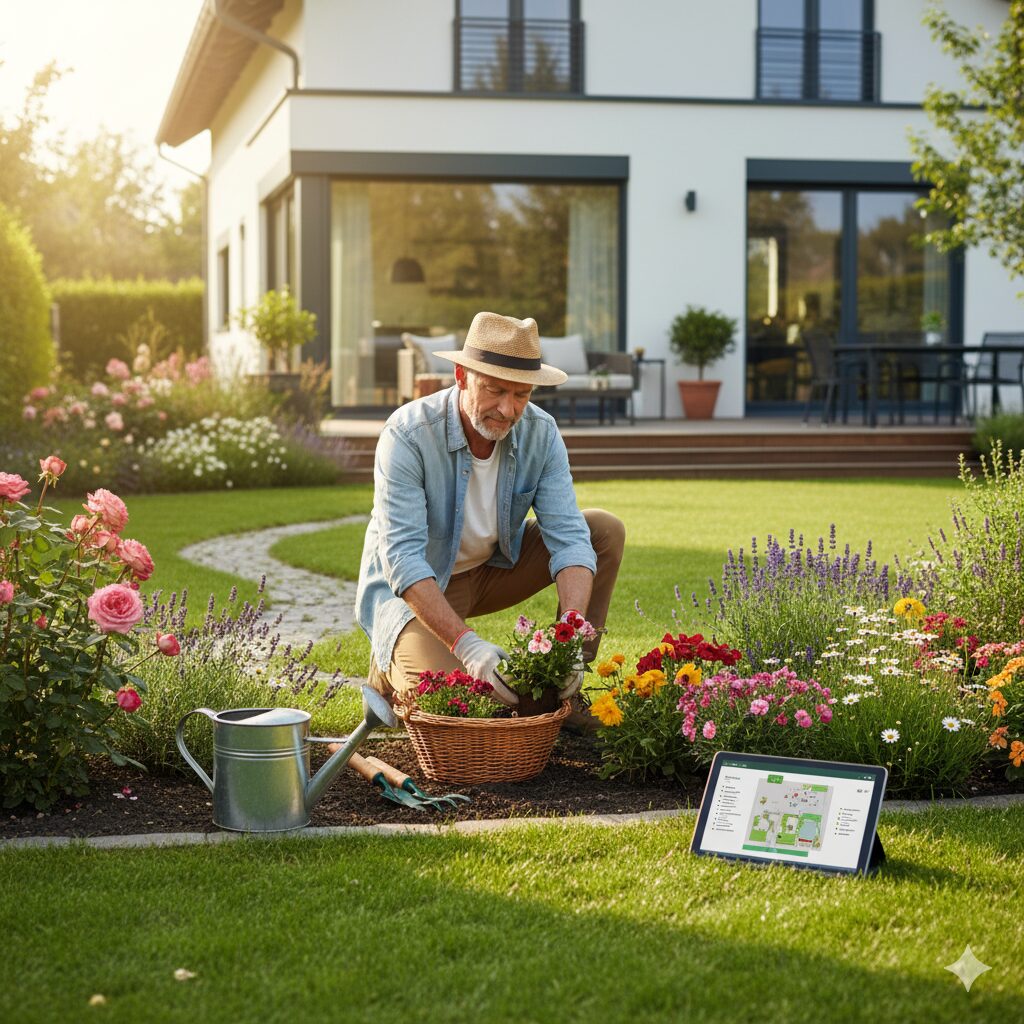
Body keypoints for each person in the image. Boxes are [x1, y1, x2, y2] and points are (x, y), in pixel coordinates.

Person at [354, 311, 625, 715]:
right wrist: (468, 646)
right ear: (462, 376)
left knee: (603, 530)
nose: (507, 409)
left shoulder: (541, 432)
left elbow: (569, 538)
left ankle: (565, 692)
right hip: (416, 591)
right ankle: (391, 658)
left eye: (521, 395)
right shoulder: (408, 435)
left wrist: (569, 638)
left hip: (492, 571)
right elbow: (404, 562)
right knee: (457, 705)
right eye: (495, 390)